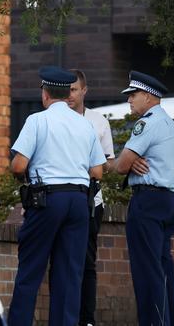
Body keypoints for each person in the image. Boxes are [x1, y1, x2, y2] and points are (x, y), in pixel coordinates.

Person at [7, 66, 105, 326]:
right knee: (69, 274)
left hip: (48, 199)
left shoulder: (38, 120)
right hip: (79, 201)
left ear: (45, 94)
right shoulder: (85, 124)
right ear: (66, 93)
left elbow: (18, 165)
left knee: (31, 269)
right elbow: (98, 171)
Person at [111, 70, 174, 326]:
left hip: (148, 202)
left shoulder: (147, 123)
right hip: (169, 201)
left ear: (149, 97)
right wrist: (129, 163)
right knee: (164, 270)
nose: (129, 100)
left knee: (147, 272)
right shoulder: (168, 122)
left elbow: (121, 166)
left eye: (133, 95)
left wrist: (124, 163)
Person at [67, 69, 115, 326]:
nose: (70, 95)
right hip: (61, 200)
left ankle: (86, 319)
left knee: (87, 262)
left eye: (74, 89)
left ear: (85, 90)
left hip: (91, 201)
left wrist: (90, 166)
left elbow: (109, 162)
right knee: (63, 261)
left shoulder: (98, 121)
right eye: (66, 90)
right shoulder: (53, 119)